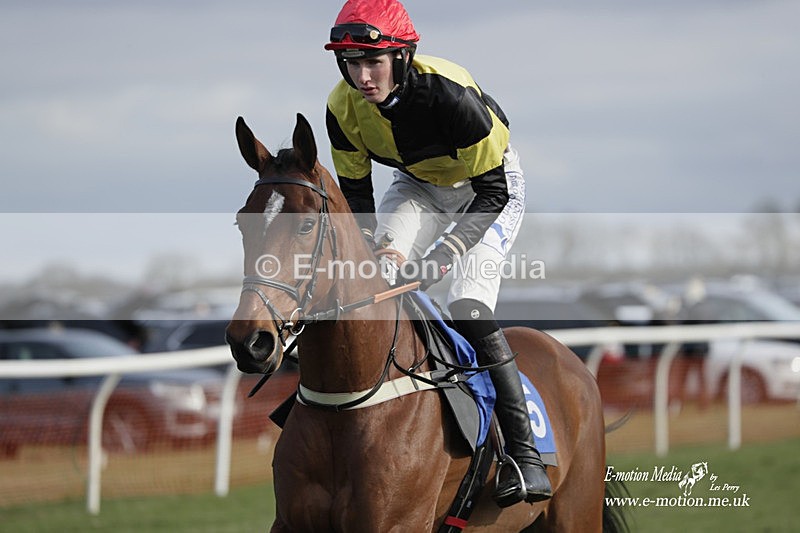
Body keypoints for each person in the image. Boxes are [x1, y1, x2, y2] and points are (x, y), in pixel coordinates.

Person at [323, 0, 551, 507]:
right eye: (351, 62)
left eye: (372, 61)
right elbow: (357, 196)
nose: (361, 76)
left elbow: (491, 191)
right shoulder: (341, 106)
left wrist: (446, 253)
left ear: (402, 57)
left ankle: (524, 454)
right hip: (419, 187)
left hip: (487, 190)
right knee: (377, 277)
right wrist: (375, 254)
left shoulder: (451, 96)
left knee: (466, 305)